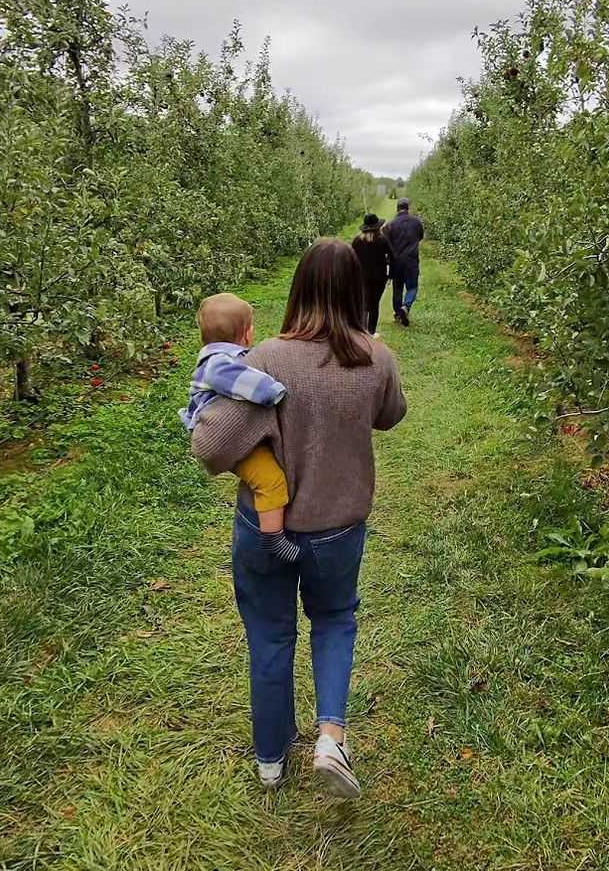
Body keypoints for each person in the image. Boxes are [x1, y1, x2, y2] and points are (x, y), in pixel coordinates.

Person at [192, 239, 407, 798]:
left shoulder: (263, 359)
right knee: (333, 620)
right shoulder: (375, 356)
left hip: (267, 529)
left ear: (298, 288)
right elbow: (391, 416)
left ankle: (270, 759)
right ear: (357, 290)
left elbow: (211, 447)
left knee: (269, 633)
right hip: (338, 527)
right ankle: (331, 737)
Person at [179, 293, 299, 562]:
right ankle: (273, 540)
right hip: (223, 439)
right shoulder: (219, 364)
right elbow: (249, 383)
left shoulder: (220, 358)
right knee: (270, 481)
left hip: (230, 436)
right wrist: (276, 390)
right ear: (246, 333)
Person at [383, 197, 424, 327]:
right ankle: (405, 307)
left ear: (397, 209)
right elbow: (420, 237)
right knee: (412, 287)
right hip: (411, 260)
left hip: (396, 261)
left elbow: (386, 243)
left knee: (397, 288)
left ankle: (397, 314)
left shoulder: (390, 225)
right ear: (408, 208)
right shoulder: (416, 222)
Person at [351, 212, 391, 337]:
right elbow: (391, 256)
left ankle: (362, 330)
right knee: (374, 304)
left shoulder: (357, 241)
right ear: (378, 227)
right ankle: (371, 331)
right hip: (379, 278)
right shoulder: (382, 240)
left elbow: (351, 257)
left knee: (363, 303)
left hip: (361, 277)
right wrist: (390, 274)